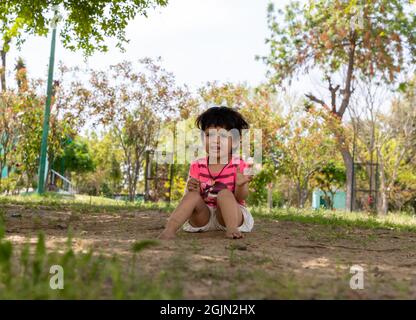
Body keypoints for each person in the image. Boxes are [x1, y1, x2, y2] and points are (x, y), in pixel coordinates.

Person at [159, 106, 255, 240]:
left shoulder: (238, 165)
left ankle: (232, 229)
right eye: (210, 135)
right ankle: (170, 229)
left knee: (224, 193)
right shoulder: (197, 165)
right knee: (191, 196)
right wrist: (192, 188)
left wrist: (240, 185)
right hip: (204, 216)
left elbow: (241, 197)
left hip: (230, 215)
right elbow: (191, 198)